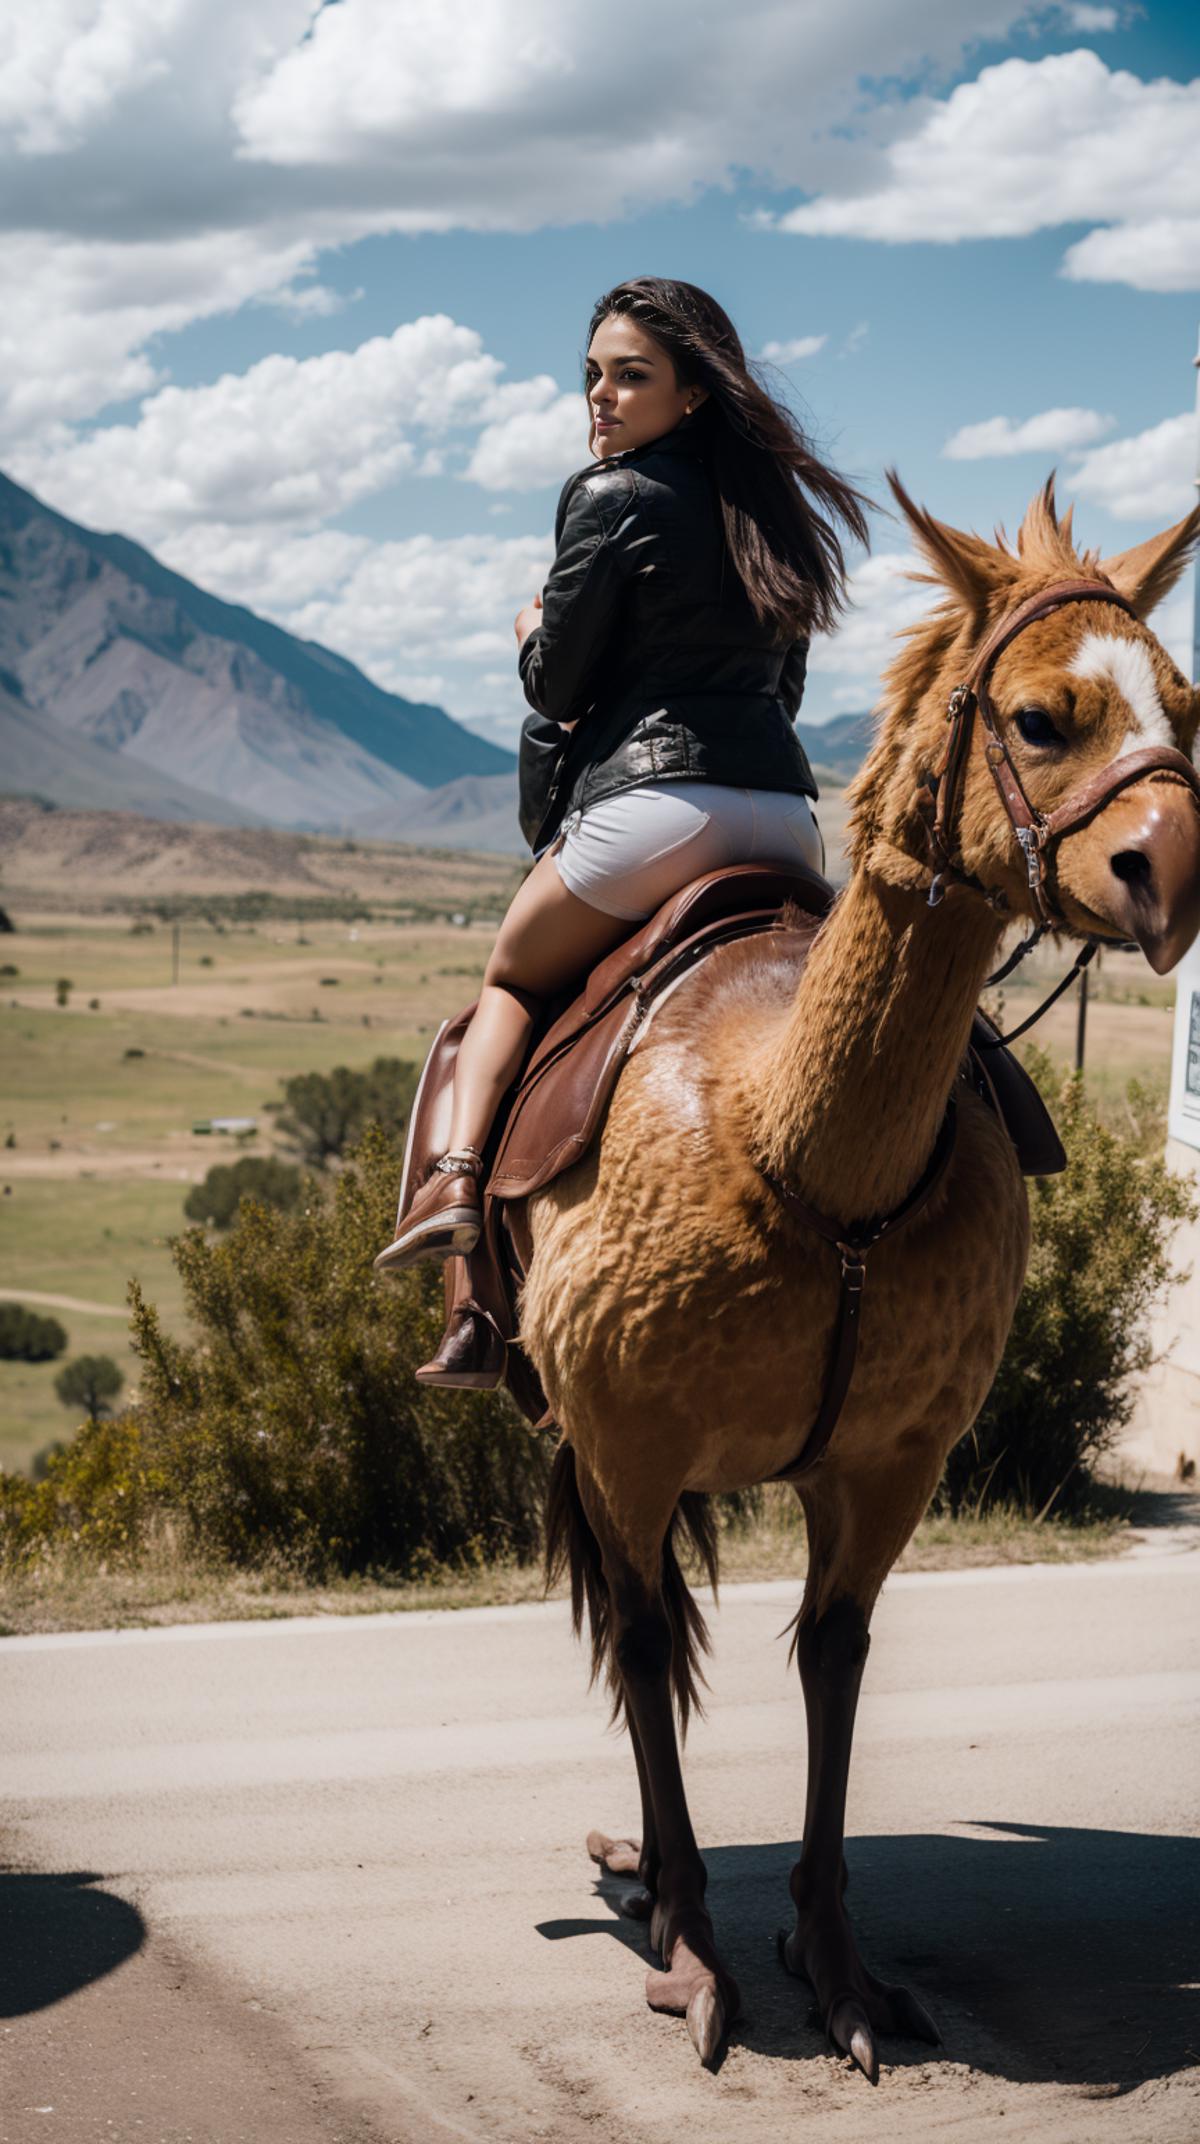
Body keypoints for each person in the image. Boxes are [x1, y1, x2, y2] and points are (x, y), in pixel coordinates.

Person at [374, 277, 869, 1372]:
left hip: (655, 810)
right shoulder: (769, 512)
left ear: (692, 392)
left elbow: (558, 688)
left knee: (507, 980)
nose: (601, 395)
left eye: (630, 374)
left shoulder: (611, 495)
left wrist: (529, 623)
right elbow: (780, 690)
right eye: (593, 373)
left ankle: (456, 1200)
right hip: (786, 815)